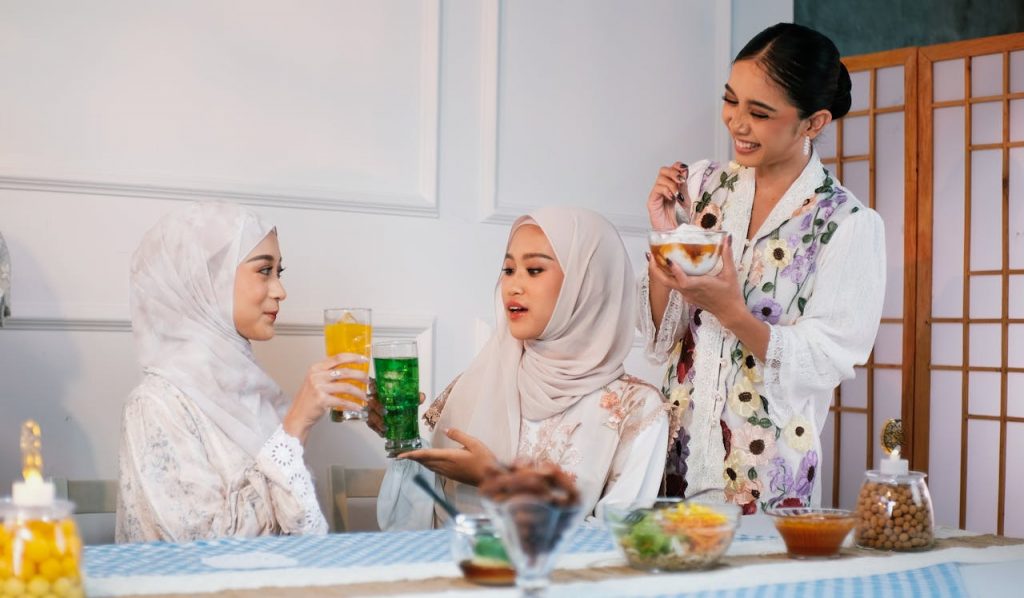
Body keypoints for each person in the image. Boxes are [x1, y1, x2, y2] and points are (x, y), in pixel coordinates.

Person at [639, 23, 885, 514]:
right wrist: (665, 237)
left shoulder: (848, 224)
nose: (736, 123)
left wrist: (733, 313)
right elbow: (663, 336)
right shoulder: (705, 185)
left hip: (769, 469)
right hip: (674, 450)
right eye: (731, 101)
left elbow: (825, 361)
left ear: (813, 123)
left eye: (759, 112)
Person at [374, 207, 670, 528]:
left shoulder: (637, 410)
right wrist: (399, 435)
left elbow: (616, 541)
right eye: (508, 269)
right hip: (459, 570)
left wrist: (496, 479)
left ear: (587, 283)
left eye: (534, 270)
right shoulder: (479, 382)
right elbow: (420, 514)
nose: (513, 286)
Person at [116, 201, 368, 543]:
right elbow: (199, 551)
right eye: (264, 270)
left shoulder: (254, 395)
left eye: (279, 272)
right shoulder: (155, 406)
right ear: (206, 281)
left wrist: (396, 436)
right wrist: (293, 428)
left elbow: (296, 531)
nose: (280, 290)